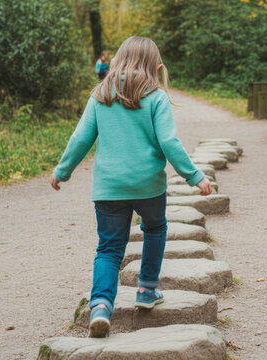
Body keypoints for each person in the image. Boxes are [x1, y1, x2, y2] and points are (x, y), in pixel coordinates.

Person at [50, 36, 212, 338]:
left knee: (109, 249)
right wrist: (194, 176)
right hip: (148, 185)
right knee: (155, 228)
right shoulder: (156, 96)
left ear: (118, 61)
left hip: (109, 188)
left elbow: (81, 138)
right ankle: (147, 289)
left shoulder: (100, 94)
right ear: (155, 65)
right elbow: (169, 142)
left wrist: (62, 171)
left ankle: (100, 306)